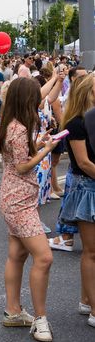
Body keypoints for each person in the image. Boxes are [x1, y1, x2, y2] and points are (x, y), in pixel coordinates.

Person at [0, 77, 55, 342]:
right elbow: (22, 166)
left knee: (17, 255)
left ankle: (13, 311)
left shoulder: (13, 124)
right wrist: (47, 150)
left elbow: (18, 158)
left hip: (14, 197)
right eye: (35, 97)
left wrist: (39, 144)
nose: (38, 101)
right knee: (44, 258)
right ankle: (40, 320)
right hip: (19, 200)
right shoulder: (19, 128)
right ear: (26, 99)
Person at [55, 73, 95, 328]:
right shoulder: (78, 123)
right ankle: (93, 308)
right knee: (91, 252)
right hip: (87, 187)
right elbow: (83, 163)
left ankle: (85, 299)